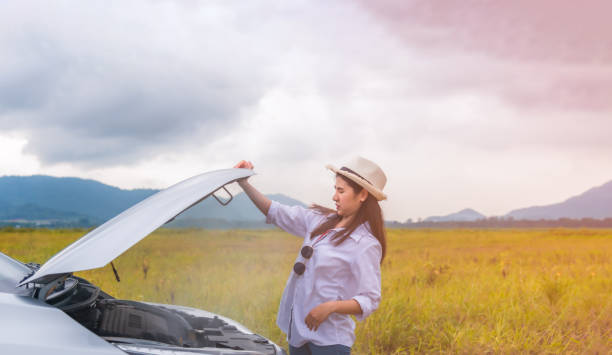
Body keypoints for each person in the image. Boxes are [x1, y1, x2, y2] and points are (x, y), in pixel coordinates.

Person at [234, 157, 387, 355]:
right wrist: (244, 183)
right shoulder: (320, 220)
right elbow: (276, 211)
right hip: (298, 333)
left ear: (363, 195)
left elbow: (370, 299)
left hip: (330, 341)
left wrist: (330, 307)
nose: (334, 197)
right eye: (335, 189)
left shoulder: (365, 243)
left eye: (341, 191)